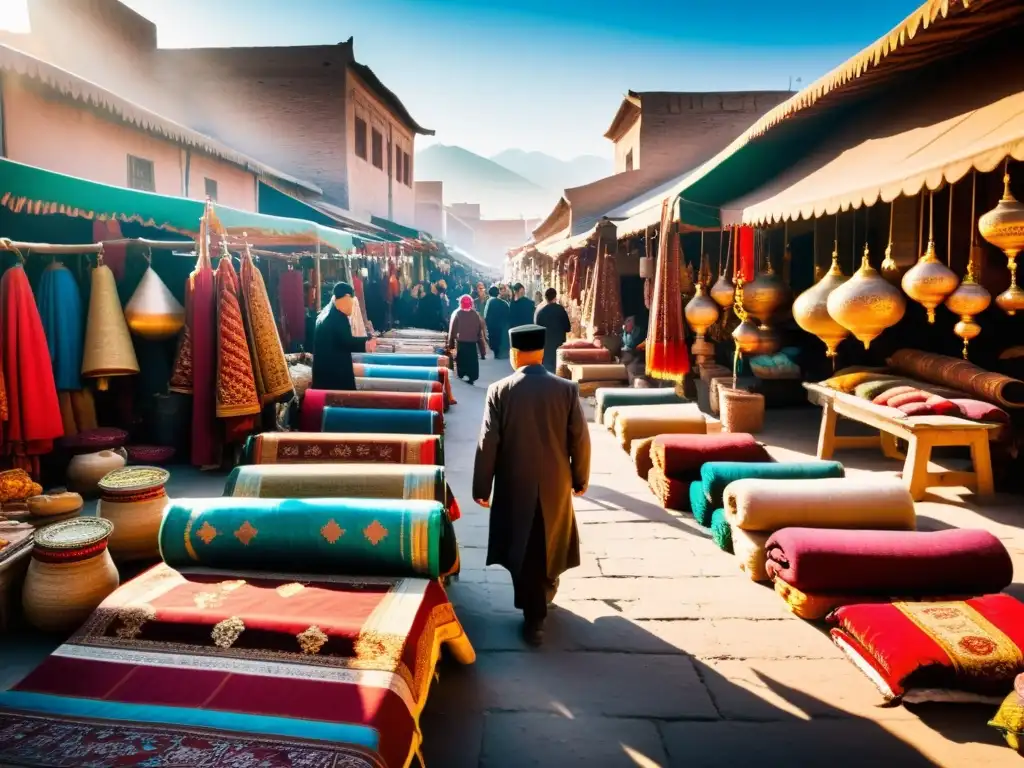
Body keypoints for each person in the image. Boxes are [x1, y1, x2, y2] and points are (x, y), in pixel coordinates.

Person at [473, 324, 591, 646]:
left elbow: (488, 443)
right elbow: (580, 439)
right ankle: (543, 597)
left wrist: (481, 488)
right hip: (555, 484)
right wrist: (580, 478)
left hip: (514, 484)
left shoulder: (500, 390)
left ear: (514, 354)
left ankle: (533, 612)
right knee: (549, 539)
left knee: (522, 546)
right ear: (541, 353)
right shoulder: (566, 389)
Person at [312, 281, 376, 391]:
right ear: (346, 297)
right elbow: (346, 341)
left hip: (322, 373)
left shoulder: (325, 314)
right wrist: (366, 342)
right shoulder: (338, 317)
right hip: (335, 374)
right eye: (352, 301)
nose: (352, 306)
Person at [447, 294, 487, 384]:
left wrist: (451, 346)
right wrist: (482, 351)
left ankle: (463, 377)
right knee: (472, 365)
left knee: (461, 364)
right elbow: (480, 335)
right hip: (472, 345)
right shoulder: (476, 315)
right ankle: (471, 379)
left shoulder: (457, 314)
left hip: (461, 344)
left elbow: (452, 332)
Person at [534, 288, 571, 373]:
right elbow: (568, 328)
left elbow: (537, 332)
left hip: (546, 349)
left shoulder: (540, 312)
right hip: (559, 347)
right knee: (559, 373)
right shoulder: (561, 310)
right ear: (555, 297)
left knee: (548, 374)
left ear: (545, 298)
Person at [483, 285, 510, 359]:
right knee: (499, 338)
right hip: (501, 325)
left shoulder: (489, 302)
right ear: (498, 293)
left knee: (494, 338)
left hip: (492, 324)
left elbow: (485, 314)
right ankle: (500, 352)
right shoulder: (504, 303)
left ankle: (496, 353)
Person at [621, 314, 648, 383]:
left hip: (638, 355)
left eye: (629, 321)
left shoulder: (639, 332)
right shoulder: (625, 333)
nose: (626, 324)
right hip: (630, 356)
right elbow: (625, 344)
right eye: (626, 321)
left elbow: (631, 344)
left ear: (634, 323)